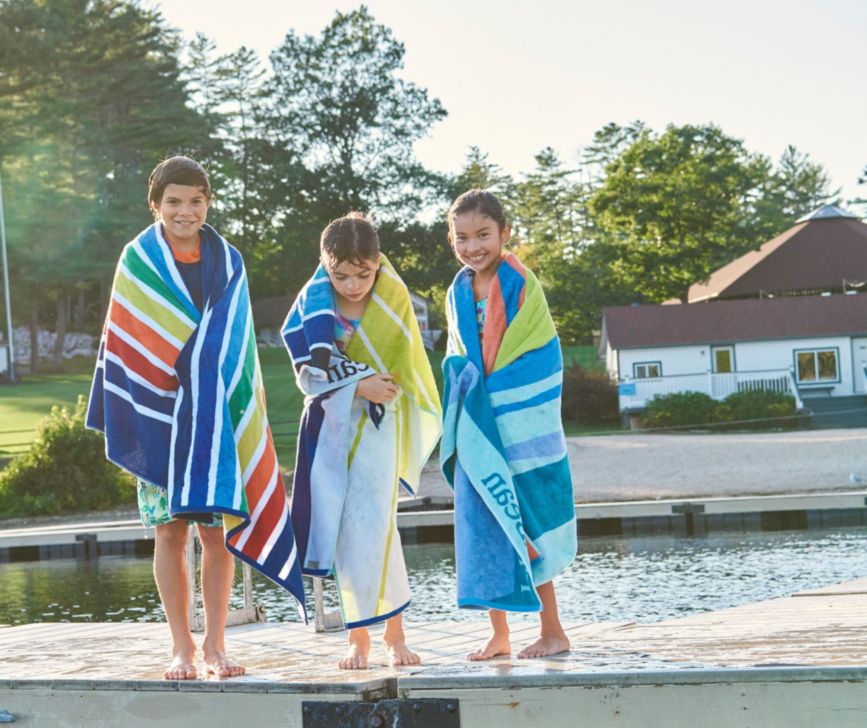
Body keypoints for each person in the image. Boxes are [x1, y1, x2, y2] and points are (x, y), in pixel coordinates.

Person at [87, 156, 304, 681]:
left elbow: (237, 344)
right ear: (156, 205)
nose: (186, 211)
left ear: (208, 202)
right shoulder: (139, 259)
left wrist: (225, 392)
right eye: (175, 201)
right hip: (158, 412)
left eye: (196, 200)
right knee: (169, 531)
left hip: (213, 418)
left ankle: (216, 645)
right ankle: (181, 647)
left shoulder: (228, 261)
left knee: (217, 534)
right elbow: (130, 337)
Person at [282, 213, 441, 670]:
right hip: (330, 427)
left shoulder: (393, 299)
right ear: (324, 265)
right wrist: (357, 384)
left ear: (377, 264)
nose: (353, 284)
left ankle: (394, 635)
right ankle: (357, 638)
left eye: (363, 273)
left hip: (378, 425)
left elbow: (403, 367)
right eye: (341, 275)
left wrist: (373, 388)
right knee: (346, 531)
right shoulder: (313, 301)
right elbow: (307, 374)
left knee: (379, 526)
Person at [441, 189, 576, 660]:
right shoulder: (457, 291)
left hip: (517, 423)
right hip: (478, 422)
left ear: (505, 234)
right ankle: (499, 633)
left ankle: (553, 629)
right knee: (487, 520)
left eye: (483, 235)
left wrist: (491, 393)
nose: (473, 246)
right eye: (462, 237)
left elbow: (539, 354)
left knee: (527, 521)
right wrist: (464, 392)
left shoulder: (521, 283)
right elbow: (458, 355)